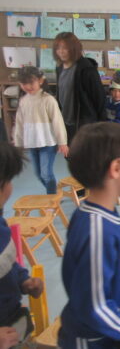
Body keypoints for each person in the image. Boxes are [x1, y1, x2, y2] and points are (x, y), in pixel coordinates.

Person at [58, 123, 120, 349]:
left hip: (110, 326)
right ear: (116, 168)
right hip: (94, 338)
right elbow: (93, 304)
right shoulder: (97, 229)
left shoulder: (97, 214)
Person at [0, 143, 44, 345]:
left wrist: (23, 280)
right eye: (8, 180)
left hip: (13, 321)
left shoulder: (2, 226)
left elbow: (7, 263)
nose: (11, 187)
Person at [14, 67, 68, 194]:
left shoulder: (48, 100)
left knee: (46, 174)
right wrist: (18, 142)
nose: (28, 86)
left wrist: (62, 142)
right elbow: (19, 123)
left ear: (40, 81)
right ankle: (54, 192)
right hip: (32, 143)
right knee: (39, 174)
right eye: (24, 83)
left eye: (31, 82)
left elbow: (58, 122)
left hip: (47, 143)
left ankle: (52, 198)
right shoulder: (23, 101)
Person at [53, 32, 106, 142]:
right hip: (64, 120)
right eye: (58, 48)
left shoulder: (86, 68)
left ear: (74, 48)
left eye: (65, 48)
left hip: (83, 122)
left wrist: (101, 124)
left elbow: (99, 97)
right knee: (69, 151)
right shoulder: (59, 68)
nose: (61, 51)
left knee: (83, 151)